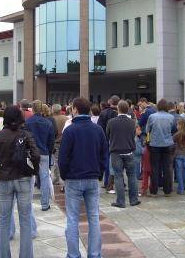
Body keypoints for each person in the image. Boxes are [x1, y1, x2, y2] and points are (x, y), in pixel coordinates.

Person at [0, 105, 40, 258]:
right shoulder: (26, 135)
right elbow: (36, 155)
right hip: (23, 178)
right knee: (25, 219)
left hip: (4, 179)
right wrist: (33, 171)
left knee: (4, 220)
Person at [59, 97, 107, 258]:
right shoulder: (97, 130)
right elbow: (103, 154)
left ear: (75, 110)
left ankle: (73, 255)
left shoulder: (70, 130)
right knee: (93, 217)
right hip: (92, 178)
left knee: (72, 218)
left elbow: (63, 158)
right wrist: (100, 173)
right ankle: (94, 254)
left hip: (74, 178)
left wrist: (64, 175)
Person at [106, 100, 140, 208]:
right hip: (129, 151)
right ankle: (133, 200)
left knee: (118, 176)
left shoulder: (111, 122)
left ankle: (120, 201)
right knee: (132, 176)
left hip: (116, 152)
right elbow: (134, 134)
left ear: (118, 109)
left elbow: (107, 135)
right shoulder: (132, 122)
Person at [25, 100, 55, 211]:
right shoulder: (47, 123)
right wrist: (49, 150)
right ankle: (45, 204)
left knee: (28, 178)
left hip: (31, 153)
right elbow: (51, 141)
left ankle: (26, 203)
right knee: (45, 177)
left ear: (32, 109)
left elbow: (25, 139)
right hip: (44, 152)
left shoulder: (28, 122)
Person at [146, 98, 176, 197]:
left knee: (155, 168)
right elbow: (173, 129)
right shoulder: (171, 117)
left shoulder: (152, 116)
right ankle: (167, 190)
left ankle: (154, 191)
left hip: (155, 144)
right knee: (167, 168)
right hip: (168, 144)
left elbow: (147, 130)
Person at [97, 95, 119, 193]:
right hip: (117, 141)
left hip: (106, 140)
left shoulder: (103, 113)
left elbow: (99, 127)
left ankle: (107, 182)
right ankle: (116, 183)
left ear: (110, 102)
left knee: (107, 161)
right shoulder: (119, 113)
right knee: (118, 163)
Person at [51, 104, 68, 186]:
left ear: (53, 110)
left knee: (56, 161)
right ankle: (58, 178)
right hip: (65, 142)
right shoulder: (66, 118)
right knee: (62, 160)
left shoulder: (52, 119)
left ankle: (59, 179)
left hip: (55, 142)